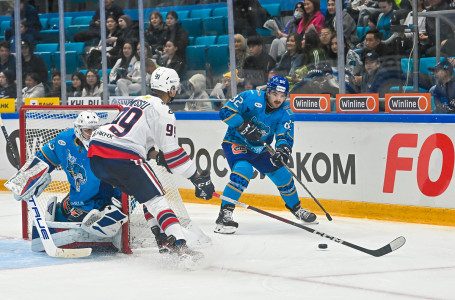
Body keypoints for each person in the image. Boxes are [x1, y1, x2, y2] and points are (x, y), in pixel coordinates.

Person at [88, 67, 215, 261]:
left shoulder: (138, 101)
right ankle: (180, 246)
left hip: (98, 156)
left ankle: (162, 239)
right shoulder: (163, 111)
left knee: (146, 196)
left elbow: (142, 143)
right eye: (175, 87)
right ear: (170, 88)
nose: (176, 91)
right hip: (122, 155)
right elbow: (173, 154)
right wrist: (198, 179)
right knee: (157, 199)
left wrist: (156, 156)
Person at [6, 111, 127, 249]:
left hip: (101, 199)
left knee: (85, 223)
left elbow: (126, 176)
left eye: (95, 130)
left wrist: (118, 206)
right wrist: (24, 179)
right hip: (78, 197)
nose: (92, 134)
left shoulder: (107, 145)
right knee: (57, 216)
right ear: (78, 130)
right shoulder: (64, 140)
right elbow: (43, 158)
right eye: (88, 130)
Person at [215, 75, 317, 234]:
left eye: (283, 96)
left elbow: (285, 135)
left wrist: (283, 150)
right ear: (268, 92)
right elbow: (225, 111)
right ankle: (224, 215)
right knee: (243, 170)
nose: (279, 99)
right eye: (275, 94)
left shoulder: (286, 112)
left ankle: (296, 209)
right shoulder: (250, 96)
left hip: (261, 148)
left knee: (283, 175)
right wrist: (242, 125)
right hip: (236, 141)